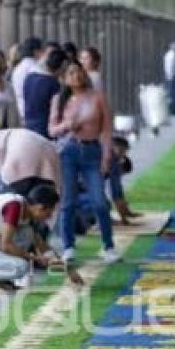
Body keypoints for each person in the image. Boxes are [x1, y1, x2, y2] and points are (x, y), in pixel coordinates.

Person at [49, 59, 119, 264]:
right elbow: (51, 130)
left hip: (91, 150)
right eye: (71, 73)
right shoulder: (59, 99)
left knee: (99, 201)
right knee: (68, 201)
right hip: (68, 151)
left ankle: (108, 245)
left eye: (79, 72)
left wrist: (106, 156)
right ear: (64, 78)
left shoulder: (97, 98)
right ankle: (68, 245)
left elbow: (106, 130)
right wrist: (66, 125)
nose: (76, 76)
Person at [23, 48, 68, 139]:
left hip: (28, 126)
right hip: (44, 128)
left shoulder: (29, 77)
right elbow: (56, 111)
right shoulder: (53, 84)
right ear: (62, 66)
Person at [106, 136, 140, 225]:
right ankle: (106, 219)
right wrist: (124, 220)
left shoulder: (117, 159)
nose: (123, 153)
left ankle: (126, 212)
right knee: (109, 199)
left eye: (125, 151)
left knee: (119, 192)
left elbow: (119, 195)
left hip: (111, 173)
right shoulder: (110, 159)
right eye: (122, 151)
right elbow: (116, 198)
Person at [12, 37, 43, 124]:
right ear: (36, 51)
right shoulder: (36, 69)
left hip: (20, 110)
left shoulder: (17, 69)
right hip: (35, 114)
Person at [164, 42, 175, 115]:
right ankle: (173, 109)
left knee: (172, 93)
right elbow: (171, 66)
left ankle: (173, 108)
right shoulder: (172, 55)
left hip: (170, 75)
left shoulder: (168, 54)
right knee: (173, 93)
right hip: (171, 76)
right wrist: (172, 74)